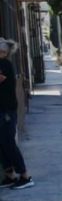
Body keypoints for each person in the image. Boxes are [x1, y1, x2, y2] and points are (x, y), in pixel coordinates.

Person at [0, 37, 32, 189]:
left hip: (6, 110)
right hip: (3, 109)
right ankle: (10, 175)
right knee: (2, 144)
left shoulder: (4, 64)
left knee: (8, 143)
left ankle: (25, 175)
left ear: (3, 52)